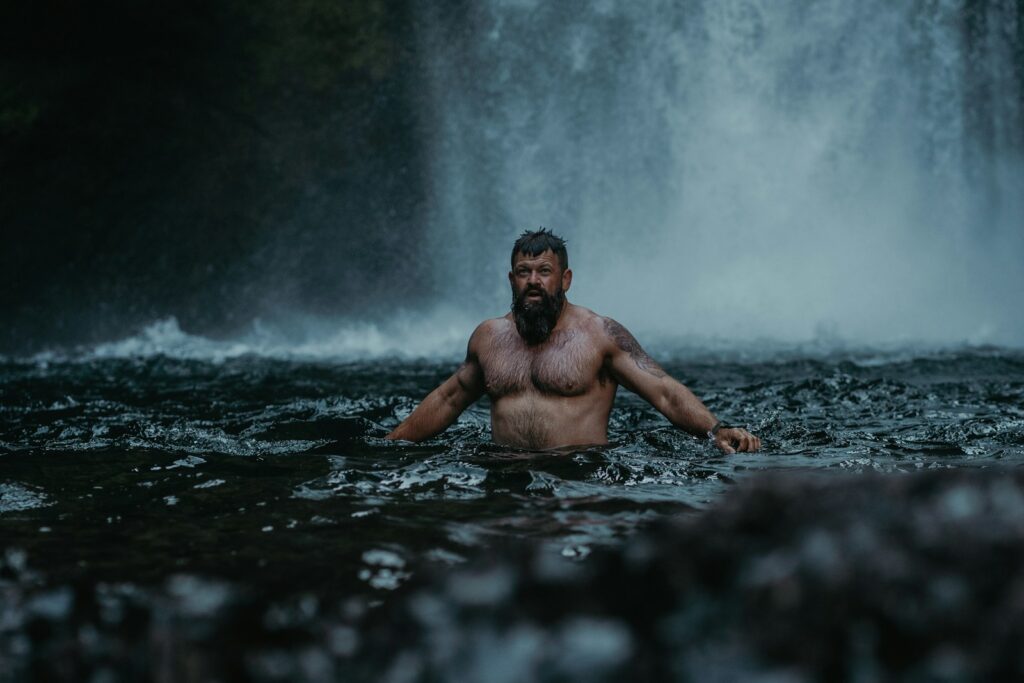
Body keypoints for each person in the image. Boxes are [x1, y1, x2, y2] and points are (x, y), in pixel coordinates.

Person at [387, 229, 761, 453]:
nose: (533, 281)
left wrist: (715, 429)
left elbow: (663, 390)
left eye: (544, 272)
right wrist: (390, 445)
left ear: (565, 279)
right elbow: (448, 398)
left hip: (579, 479)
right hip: (506, 477)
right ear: (511, 279)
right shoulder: (489, 337)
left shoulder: (599, 334)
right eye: (523, 272)